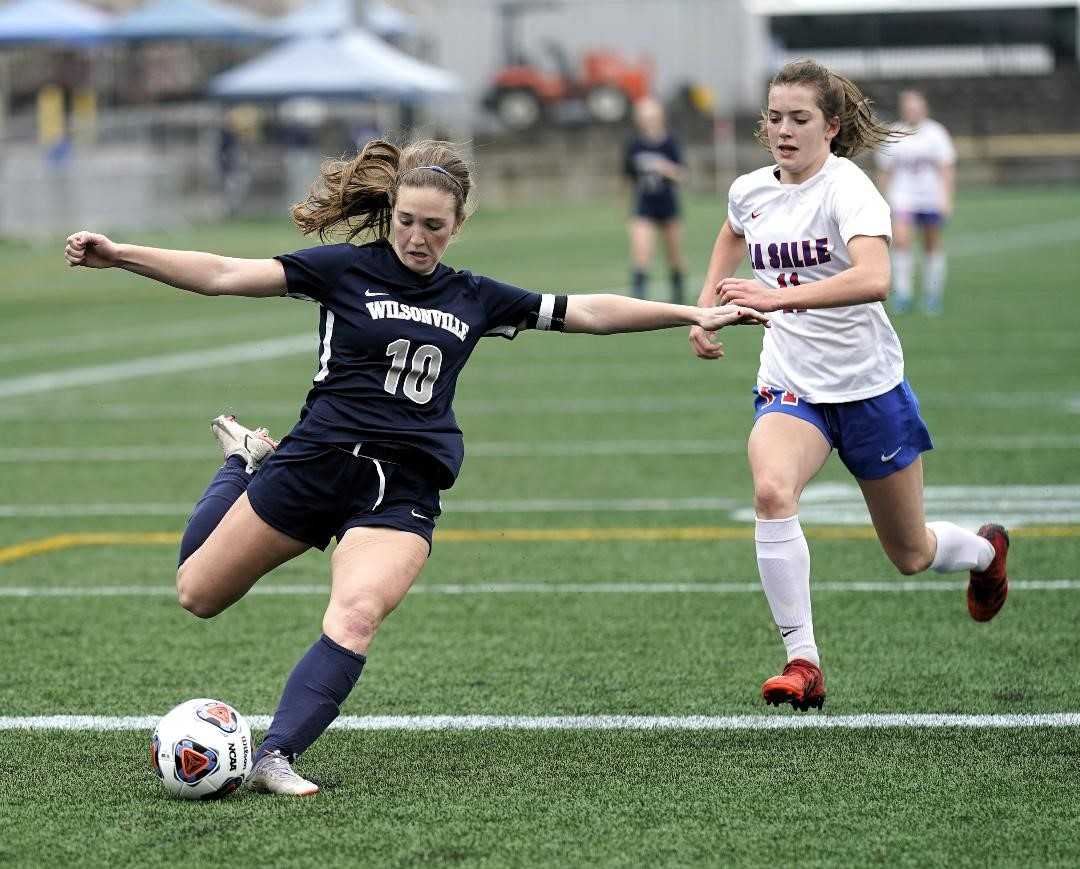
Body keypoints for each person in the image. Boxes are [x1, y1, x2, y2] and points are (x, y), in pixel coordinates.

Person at [65, 138, 767, 796]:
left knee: (359, 610)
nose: (417, 237)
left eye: (434, 225)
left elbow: (586, 309)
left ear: (457, 225)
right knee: (198, 592)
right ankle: (243, 464)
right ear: (390, 213)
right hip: (315, 461)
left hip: (403, 483)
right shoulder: (343, 270)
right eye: (406, 221)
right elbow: (221, 273)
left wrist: (692, 313)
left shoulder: (474, 295)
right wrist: (119, 253)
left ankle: (278, 752)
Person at [688, 60, 1009, 712]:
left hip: (869, 389)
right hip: (791, 386)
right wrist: (704, 307)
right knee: (772, 489)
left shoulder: (849, 189)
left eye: (799, 119)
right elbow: (732, 230)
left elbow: (875, 277)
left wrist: (778, 299)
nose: (783, 130)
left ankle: (986, 552)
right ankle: (803, 660)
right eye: (774, 118)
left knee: (911, 552)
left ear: (830, 127)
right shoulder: (750, 189)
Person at [875, 90, 956, 314]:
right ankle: (903, 293)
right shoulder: (894, 134)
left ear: (924, 108)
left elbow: (946, 168)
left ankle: (932, 295)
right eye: (909, 107)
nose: (912, 111)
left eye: (916, 106)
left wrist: (946, 199)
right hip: (903, 197)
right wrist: (884, 201)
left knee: (931, 244)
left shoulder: (936, 133)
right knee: (901, 241)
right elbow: (884, 170)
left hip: (931, 198)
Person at [623, 97, 687, 303]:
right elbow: (628, 178)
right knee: (641, 255)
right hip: (644, 206)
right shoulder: (634, 145)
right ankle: (637, 301)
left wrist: (664, 168)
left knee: (674, 257)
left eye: (652, 116)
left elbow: (681, 175)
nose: (648, 120)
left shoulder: (670, 142)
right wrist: (626, 207)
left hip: (668, 206)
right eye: (644, 117)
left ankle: (679, 299)